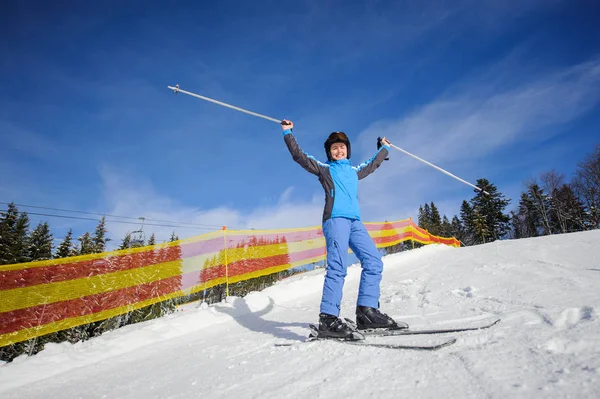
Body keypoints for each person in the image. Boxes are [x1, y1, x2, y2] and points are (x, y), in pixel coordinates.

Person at [281, 119, 408, 339]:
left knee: (374, 261)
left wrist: (384, 148)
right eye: (334, 148)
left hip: (355, 222)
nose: (338, 150)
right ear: (329, 153)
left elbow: (373, 164)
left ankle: (366, 312)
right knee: (338, 267)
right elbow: (299, 156)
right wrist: (288, 132)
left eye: (342, 147)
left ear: (347, 150)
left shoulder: (354, 171)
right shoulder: (325, 169)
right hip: (335, 220)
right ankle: (328, 318)